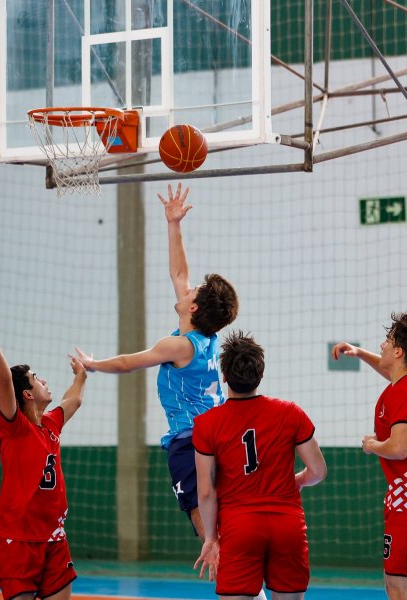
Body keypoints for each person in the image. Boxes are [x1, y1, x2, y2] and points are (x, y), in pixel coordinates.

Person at [74, 183, 239, 541]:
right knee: (225, 530)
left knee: (212, 536)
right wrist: (173, 223)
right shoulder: (205, 338)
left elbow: (128, 363)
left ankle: (243, 592)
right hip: (220, 436)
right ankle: (247, 589)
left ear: (193, 307)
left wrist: (94, 363)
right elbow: (179, 275)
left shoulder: (178, 346)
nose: (187, 287)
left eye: (193, 292)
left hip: (193, 441)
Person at [0, 300, 87, 600]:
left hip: (54, 538)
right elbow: (4, 379)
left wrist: (82, 374)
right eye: (37, 378)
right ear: (27, 394)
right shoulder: (13, 427)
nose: (44, 381)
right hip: (17, 540)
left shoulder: (50, 424)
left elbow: (74, 400)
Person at [193, 331, 327, 600]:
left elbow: (206, 492)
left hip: (239, 527)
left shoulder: (207, 424)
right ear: (261, 375)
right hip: (287, 525)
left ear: (224, 377)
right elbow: (319, 471)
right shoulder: (291, 413)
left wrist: (210, 538)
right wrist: (298, 480)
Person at [332, 311, 407, 600]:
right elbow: (390, 372)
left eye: (387, 341)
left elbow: (400, 447)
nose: (381, 346)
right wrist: (358, 353)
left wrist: (372, 444)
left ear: (398, 351)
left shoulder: (404, 394)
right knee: (396, 584)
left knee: (400, 588)